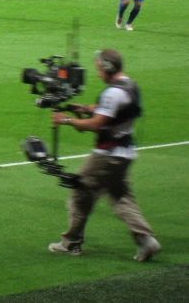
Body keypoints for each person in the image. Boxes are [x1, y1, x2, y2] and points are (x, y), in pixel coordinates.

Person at [49, 49, 161, 261]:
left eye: (100, 70)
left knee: (80, 194)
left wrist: (65, 120)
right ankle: (146, 241)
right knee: (121, 197)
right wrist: (85, 108)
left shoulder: (112, 93)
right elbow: (108, 110)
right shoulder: (130, 85)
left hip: (107, 154)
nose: (98, 74)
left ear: (108, 68)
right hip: (124, 152)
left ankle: (71, 243)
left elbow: (96, 124)